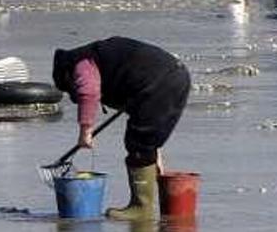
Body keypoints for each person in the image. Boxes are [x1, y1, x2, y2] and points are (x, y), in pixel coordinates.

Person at [52, 36, 192, 221]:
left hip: (158, 83)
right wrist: (155, 150)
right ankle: (169, 209)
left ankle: (141, 208)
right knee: (145, 140)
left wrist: (85, 132)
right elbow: (147, 120)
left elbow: (89, 92)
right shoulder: (106, 62)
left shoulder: (80, 63)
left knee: (137, 144)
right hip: (178, 76)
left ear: (66, 75)